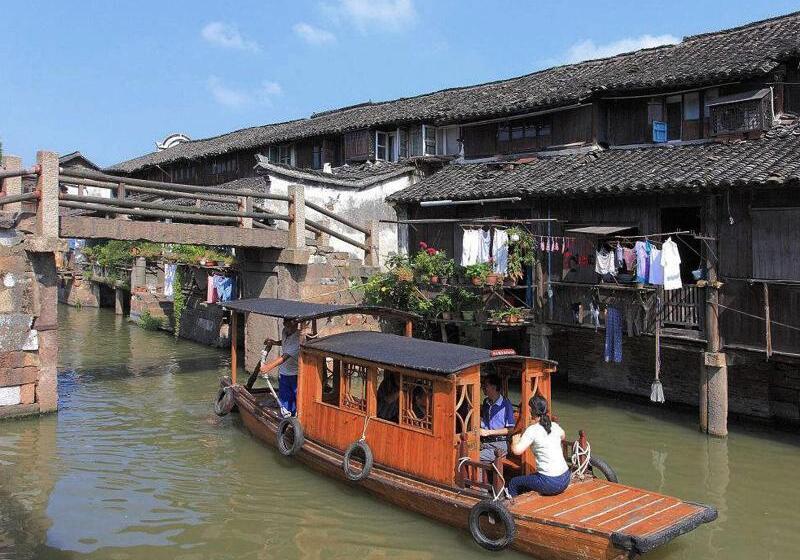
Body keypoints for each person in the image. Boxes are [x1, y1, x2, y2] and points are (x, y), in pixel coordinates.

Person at [507, 395, 570, 498]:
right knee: (530, 478)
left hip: (550, 482)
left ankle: (512, 506)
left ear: (531, 411)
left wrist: (514, 441)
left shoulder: (532, 430)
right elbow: (563, 436)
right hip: (565, 478)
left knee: (514, 482)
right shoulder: (553, 425)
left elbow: (517, 451)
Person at [260, 318, 300, 416]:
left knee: (296, 396)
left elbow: (285, 357)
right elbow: (285, 342)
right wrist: (275, 342)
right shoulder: (285, 331)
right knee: (285, 397)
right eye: (286, 323)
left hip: (295, 373)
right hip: (284, 372)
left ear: (295, 324)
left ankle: (296, 417)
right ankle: (285, 416)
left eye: (292, 324)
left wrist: (268, 367)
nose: (287, 326)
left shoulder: (298, 338)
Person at [479, 374, 516, 462]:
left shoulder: (506, 404)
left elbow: (510, 430)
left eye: (486, 385)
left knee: (473, 456)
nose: (483, 387)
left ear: (494, 387)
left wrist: (488, 432)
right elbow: (486, 422)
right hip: (485, 442)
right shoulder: (486, 402)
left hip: (499, 444)